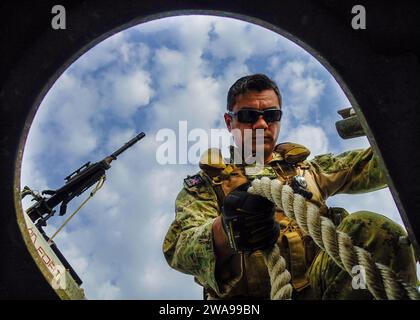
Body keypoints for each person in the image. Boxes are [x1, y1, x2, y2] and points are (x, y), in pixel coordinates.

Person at [162, 74, 417, 299]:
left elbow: (381, 163)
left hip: (321, 290)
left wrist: (397, 122)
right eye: (249, 115)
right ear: (230, 122)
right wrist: (227, 226)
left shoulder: (309, 170)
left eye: (271, 116)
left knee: (374, 231)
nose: (262, 125)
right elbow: (178, 248)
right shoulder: (207, 185)